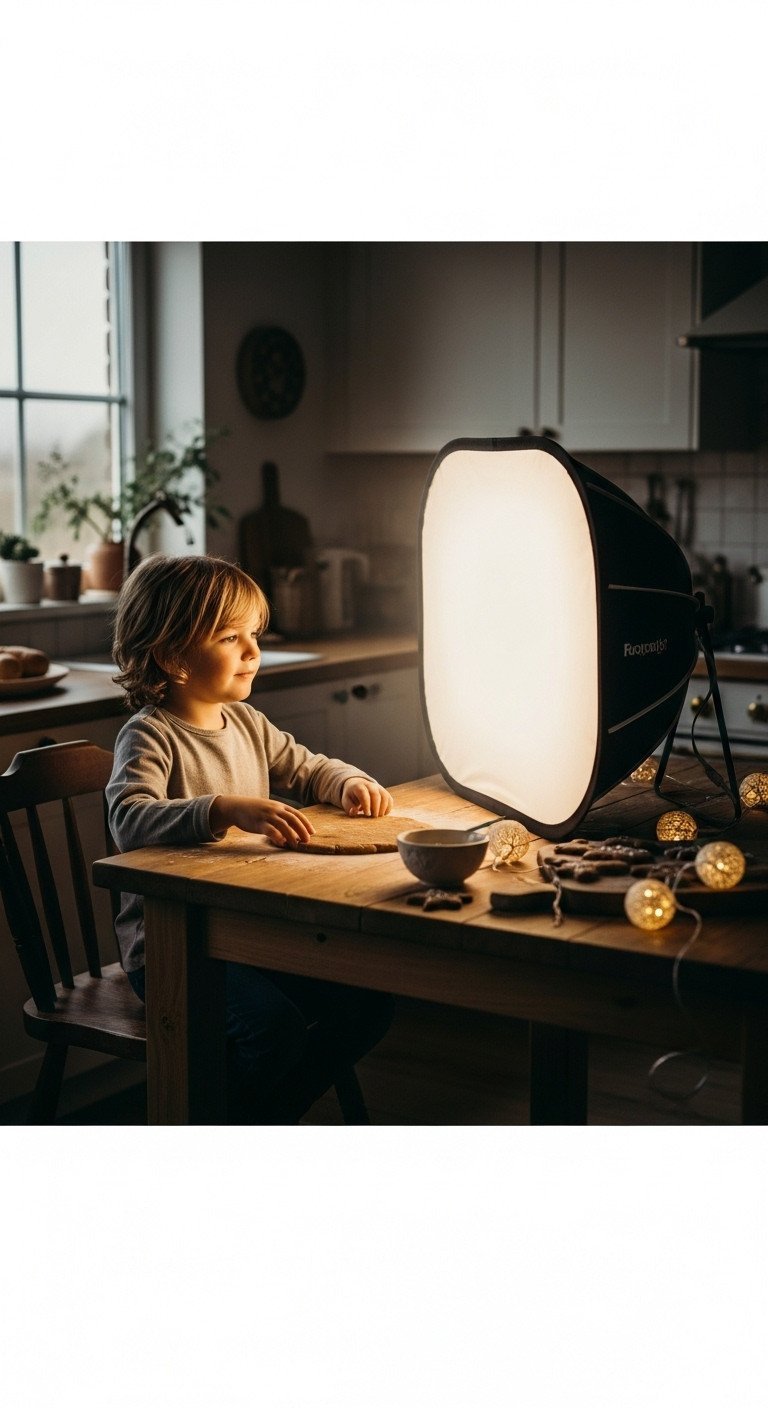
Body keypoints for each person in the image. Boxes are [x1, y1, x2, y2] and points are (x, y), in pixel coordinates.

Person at [107, 553, 395, 1123]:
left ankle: (262, 1117)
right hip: (173, 946)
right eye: (230, 636)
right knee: (275, 1031)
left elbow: (309, 768)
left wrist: (348, 782)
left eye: (254, 634)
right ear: (172, 657)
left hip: (246, 929)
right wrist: (224, 809)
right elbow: (129, 818)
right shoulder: (149, 735)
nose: (252, 651)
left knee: (367, 1005)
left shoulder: (246, 723)